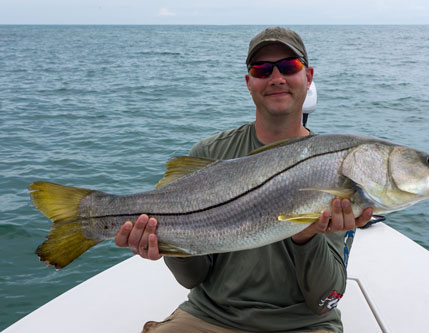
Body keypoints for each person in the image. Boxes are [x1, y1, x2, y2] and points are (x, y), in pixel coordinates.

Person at [115, 26, 373, 333]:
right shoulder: (210, 153)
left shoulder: (335, 167)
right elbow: (193, 278)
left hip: (302, 325)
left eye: (289, 66)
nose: (276, 78)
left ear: (309, 76)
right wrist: (166, 243)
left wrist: (306, 236)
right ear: (248, 82)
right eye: (261, 69)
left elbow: (322, 300)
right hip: (210, 316)